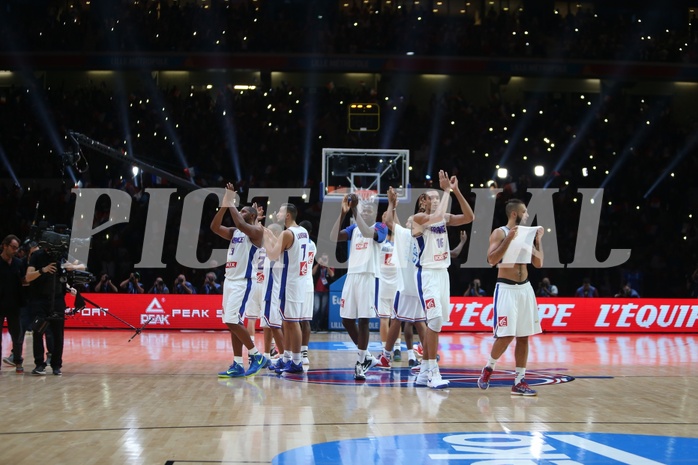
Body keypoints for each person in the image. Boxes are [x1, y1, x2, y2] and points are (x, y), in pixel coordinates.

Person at [411, 171, 474, 389]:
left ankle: (424, 372)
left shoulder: (443, 217)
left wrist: (456, 191)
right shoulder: (417, 219)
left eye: (439, 198)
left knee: (436, 323)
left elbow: (469, 217)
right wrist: (446, 190)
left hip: (443, 274)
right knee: (435, 320)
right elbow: (436, 218)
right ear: (423, 201)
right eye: (433, 197)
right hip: (427, 273)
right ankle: (433, 372)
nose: (437, 200)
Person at [477, 198, 545, 396]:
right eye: (524, 212)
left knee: (524, 336)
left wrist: (538, 241)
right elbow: (491, 259)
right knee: (506, 335)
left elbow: (538, 264)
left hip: (525, 288)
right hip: (506, 289)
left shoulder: (527, 234)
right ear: (514, 214)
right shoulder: (500, 232)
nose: (527, 215)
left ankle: (519, 381)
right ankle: (489, 368)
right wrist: (509, 239)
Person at [210, 182, 267, 378]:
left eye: (243, 211)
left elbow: (242, 223)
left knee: (232, 320)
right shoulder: (235, 233)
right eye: (239, 210)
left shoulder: (256, 232)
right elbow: (214, 227)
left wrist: (231, 201)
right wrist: (225, 205)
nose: (239, 213)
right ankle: (237, 364)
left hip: (243, 282)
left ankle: (256, 356)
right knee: (232, 321)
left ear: (252, 216)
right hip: (229, 281)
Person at [330, 192, 387, 381]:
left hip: (369, 276)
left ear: (375, 212)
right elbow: (333, 237)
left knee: (363, 320)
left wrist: (354, 209)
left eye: (371, 208)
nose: (367, 210)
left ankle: (360, 362)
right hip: (352, 276)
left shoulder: (381, 227)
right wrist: (342, 212)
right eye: (364, 207)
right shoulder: (353, 228)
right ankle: (368, 357)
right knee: (346, 320)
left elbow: (368, 233)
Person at [263, 203, 311, 374]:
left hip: (290, 282)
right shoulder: (302, 232)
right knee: (288, 322)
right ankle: (286, 358)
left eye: (280, 212)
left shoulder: (287, 233)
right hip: (298, 281)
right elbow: (286, 249)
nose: (277, 214)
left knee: (292, 322)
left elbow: (272, 254)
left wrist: (265, 237)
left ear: (288, 215)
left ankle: (296, 362)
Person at [24, 241, 84, 376]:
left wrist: (67, 266)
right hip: (39, 300)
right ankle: (39, 364)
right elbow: (28, 277)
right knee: (38, 332)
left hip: (57, 299)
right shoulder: (37, 255)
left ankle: (56, 365)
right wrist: (43, 270)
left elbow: (83, 266)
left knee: (58, 334)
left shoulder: (62, 255)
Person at [0, 235, 24, 373]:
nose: (15, 250)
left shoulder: (18, 263)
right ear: (5, 246)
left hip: (14, 304)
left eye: (17, 248)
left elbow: (23, 281)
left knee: (17, 335)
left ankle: (18, 361)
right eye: (13, 247)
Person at [298, 219, 317, 365]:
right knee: (305, 320)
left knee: (291, 321)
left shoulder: (296, 243)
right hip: (307, 284)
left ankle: (294, 352)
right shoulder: (313, 245)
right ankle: (303, 352)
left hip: (297, 283)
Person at [311, 252, 334, 331]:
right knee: (316, 308)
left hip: (325, 291)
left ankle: (320, 326)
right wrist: (318, 264)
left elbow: (332, 275)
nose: (324, 260)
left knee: (323, 309)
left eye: (325, 259)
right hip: (317, 291)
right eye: (323, 259)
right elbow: (312, 273)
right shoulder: (318, 267)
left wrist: (327, 266)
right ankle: (313, 325)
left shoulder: (330, 266)